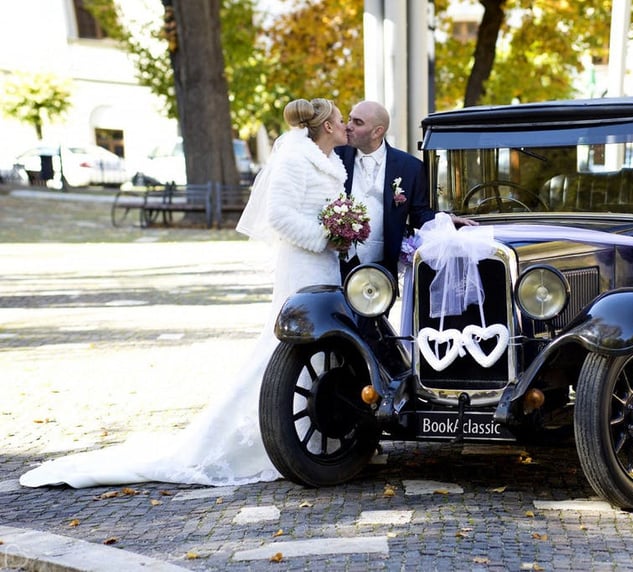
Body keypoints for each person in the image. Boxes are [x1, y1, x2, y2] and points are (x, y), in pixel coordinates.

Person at [19, 98, 349, 488]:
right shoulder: (294, 158)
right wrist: (323, 236)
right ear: (327, 126)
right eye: (341, 119)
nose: (345, 124)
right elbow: (279, 215)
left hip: (327, 265)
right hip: (303, 264)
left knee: (326, 343)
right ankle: (274, 436)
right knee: (289, 348)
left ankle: (323, 435)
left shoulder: (331, 163)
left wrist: (343, 233)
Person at [335, 100, 474, 278]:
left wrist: (445, 220)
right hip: (338, 264)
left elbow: (419, 214)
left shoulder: (410, 167)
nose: (348, 126)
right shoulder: (335, 158)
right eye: (349, 119)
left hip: (383, 269)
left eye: (358, 122)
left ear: (377, 131)